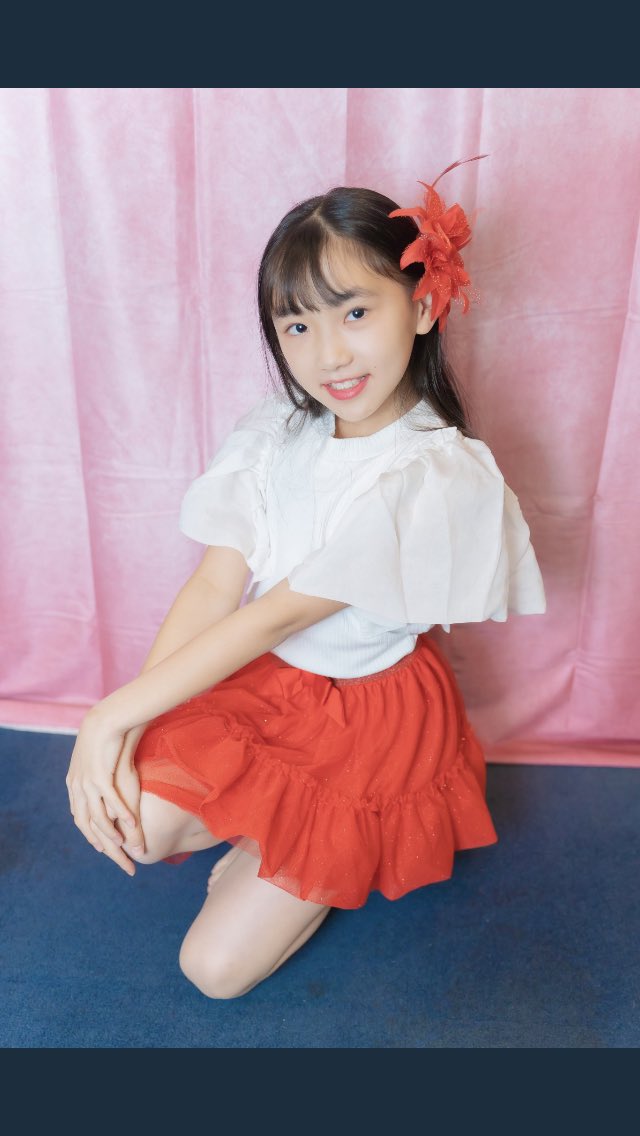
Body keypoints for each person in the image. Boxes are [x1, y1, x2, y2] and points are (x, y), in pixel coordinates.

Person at [66, 156, 547, 1000]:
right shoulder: (279, 432)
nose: (329, 355)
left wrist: (108, 717)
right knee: (132, 822)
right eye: (297, 326)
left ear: (423, 306)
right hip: (277, 686)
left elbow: (276, 614)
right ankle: (272, 837)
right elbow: (216, 586)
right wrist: (134, 725)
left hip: (373, 719)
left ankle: (312, 862)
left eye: (356, 313)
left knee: (213, 973)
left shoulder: (432, 474)